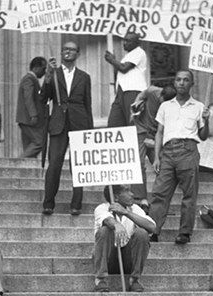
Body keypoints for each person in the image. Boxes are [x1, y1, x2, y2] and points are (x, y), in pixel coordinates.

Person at [148, 70, 209, 244]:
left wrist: (207, 120)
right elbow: (159, 132)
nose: (182, 83)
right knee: (160, 192)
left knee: (189, 194)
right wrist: (157, 157)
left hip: (188, 149)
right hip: (168, 151)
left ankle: (185, 232)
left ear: (192, 84)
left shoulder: (198, 106)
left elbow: (203, 135)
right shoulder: (166, 106)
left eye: (186, 80)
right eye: (178, 80)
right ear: (174, 83)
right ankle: (153, 229)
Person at [42, 41, 92, 216]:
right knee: (54, 163)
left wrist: (90, 131)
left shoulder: (84, 77)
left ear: (78, 54)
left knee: (78, 165)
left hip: (79, 123)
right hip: (58, 122)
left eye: (72, 49)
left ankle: (76, 204)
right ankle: (48, 203)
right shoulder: (53, 73)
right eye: (65, 49)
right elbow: (43, 98)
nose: (67, 52)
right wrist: (47, 76)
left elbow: (88, 104)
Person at [93, 184, 155, 292]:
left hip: (127, 258)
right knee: (105, 230)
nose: (132, 194)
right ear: (116, 197)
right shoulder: (102, 208)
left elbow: (152, 227)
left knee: (142, 233)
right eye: (127, 191)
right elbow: (107, 220)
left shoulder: (134, 208)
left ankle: (134, 280)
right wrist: (117, 225)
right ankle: (100, 279)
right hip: (109, 258)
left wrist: (126, 212)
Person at [129, 85, 176, 211]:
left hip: (156, 136)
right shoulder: (153, 91)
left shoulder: (175, 107)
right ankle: (140, 199)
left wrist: (156, 144)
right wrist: (136, 104)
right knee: (137, 163)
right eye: (161, 101)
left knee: (164, 166)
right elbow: (141, 95)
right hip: (141, 130)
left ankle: (160, 201)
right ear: (160, 95)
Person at [104, 32, 148, 128]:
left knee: (133, 122)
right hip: (122, 91)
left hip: (133, 90)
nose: (124, 43)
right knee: (114, 122)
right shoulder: (128, 56)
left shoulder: (139, 52)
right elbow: (120, 71)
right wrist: (114, 61)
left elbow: (124, 68)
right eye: (124, 40)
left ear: (137, 43)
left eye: (128, 41)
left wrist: (112, 60)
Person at [16, 56, 48, 159]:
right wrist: (33, 114)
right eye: (43, 68)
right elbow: (28, 97)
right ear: (36, 67)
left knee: (29, 146)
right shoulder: (29, 79)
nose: (44, 72)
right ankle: (17, 162)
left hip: (25, 119)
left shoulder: (30, 79)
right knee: (39, 142)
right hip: (29, 119)